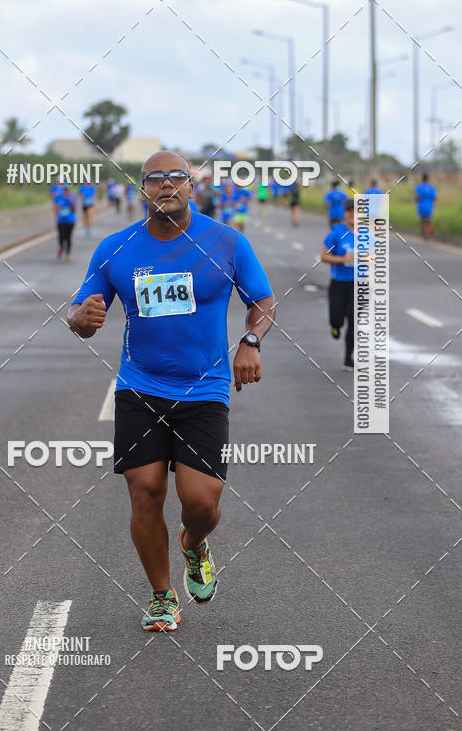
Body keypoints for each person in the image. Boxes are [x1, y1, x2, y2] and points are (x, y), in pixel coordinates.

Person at [68, 151, 275, 632]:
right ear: (142, 189)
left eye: (176, 177)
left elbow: (262, 300)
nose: (167, 185)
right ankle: (163, 597)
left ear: (191, 186)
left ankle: (194, 543)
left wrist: (250, 341)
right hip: (140, 386)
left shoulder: (226, 242)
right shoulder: (116, 249)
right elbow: (81, 309)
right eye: (155, 179)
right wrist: (81, 319)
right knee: (145, 492)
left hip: (205, 390)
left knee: (202, 502)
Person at [320, 199, 356, 371]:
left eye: (356, 211)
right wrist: (343, 259)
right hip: (338, 283)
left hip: (358, 284)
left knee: (354, 319)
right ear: (345, 213)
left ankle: (348, 358)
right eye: (349, 211)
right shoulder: (337, 232)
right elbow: (324, 256)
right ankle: (335, 326)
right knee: (337, 318)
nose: (353, 214)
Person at [53, 183, 77, 260]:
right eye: (65, 189)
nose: (66, 190)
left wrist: (72, 203)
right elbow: (56, 208)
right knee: (61, 236)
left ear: (69, 189)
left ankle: (68, 253)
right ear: (63, 189)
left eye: (67, 189)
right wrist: (56, 216)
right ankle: (61, 248)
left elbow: (75, 210)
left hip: (70, 220)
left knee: (68, 237)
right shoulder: (58, 197)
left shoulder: (72, 197)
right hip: (61, 220)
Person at [415, 173, 437, 240]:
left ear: (422, 178)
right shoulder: (431, 188)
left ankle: (423, 235)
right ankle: (429, 234)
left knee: (422, 222)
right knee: (428, 221)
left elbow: (417, 197)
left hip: (421, 207)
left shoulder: (419, 187)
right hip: (429, 207)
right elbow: (434, 198)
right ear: (428, 179)